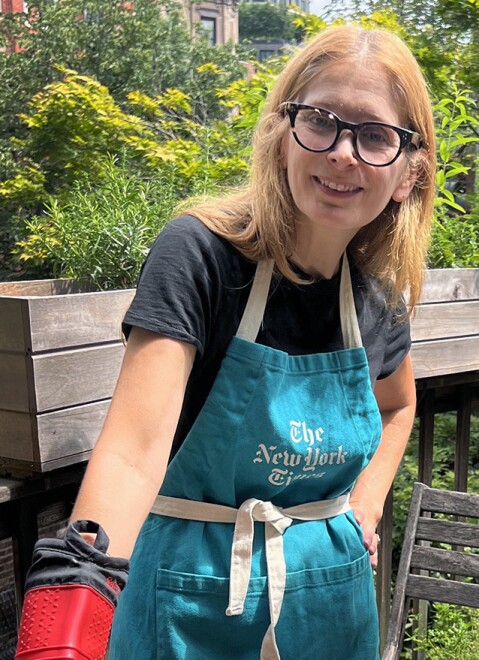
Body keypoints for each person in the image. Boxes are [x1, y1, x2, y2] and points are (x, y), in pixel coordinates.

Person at [15, 25, 435, 660]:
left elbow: (399, 404)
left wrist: (368, 504)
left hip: (330, 603)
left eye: (376, 136)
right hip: (189, 600)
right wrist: (71, 608)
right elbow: (133, 451)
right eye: (321, 121)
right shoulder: (201, 257)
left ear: (408, 173)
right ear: (279, 134)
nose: (345, 153)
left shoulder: (377, 296)